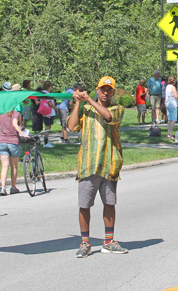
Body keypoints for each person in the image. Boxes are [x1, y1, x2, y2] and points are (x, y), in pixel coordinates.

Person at [67, 76, 127, 258]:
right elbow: (71, 126)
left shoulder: (117, 109)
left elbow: (108, 116)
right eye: (103, 89)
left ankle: (108, 241)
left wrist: (89, 99)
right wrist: (78, 102)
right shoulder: (85, 109)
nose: (106, 93)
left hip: (109, 164)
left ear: (113, 92)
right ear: (97, 89)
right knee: (84, 205)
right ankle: (85, 242)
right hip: (89, 164)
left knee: (109, 203)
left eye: (109, 90)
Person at [0, 109, 29, 195]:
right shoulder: (16, 114)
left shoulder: (1, 114)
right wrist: (23, 134)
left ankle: (3, 188)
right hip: (13, 142)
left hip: (2, 142)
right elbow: (15, 124)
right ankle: (13, 187)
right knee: (14, 166)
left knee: (4, 166)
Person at [40, 81, 57, 148]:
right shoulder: (47, 94)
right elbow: (50, 103)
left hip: (45, 112)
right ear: (49, 87)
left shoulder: (42, 93)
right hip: (49, 112)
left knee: (48, 126)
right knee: (48, 127)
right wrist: (56, 109)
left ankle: (46, 140)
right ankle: (46, 141)